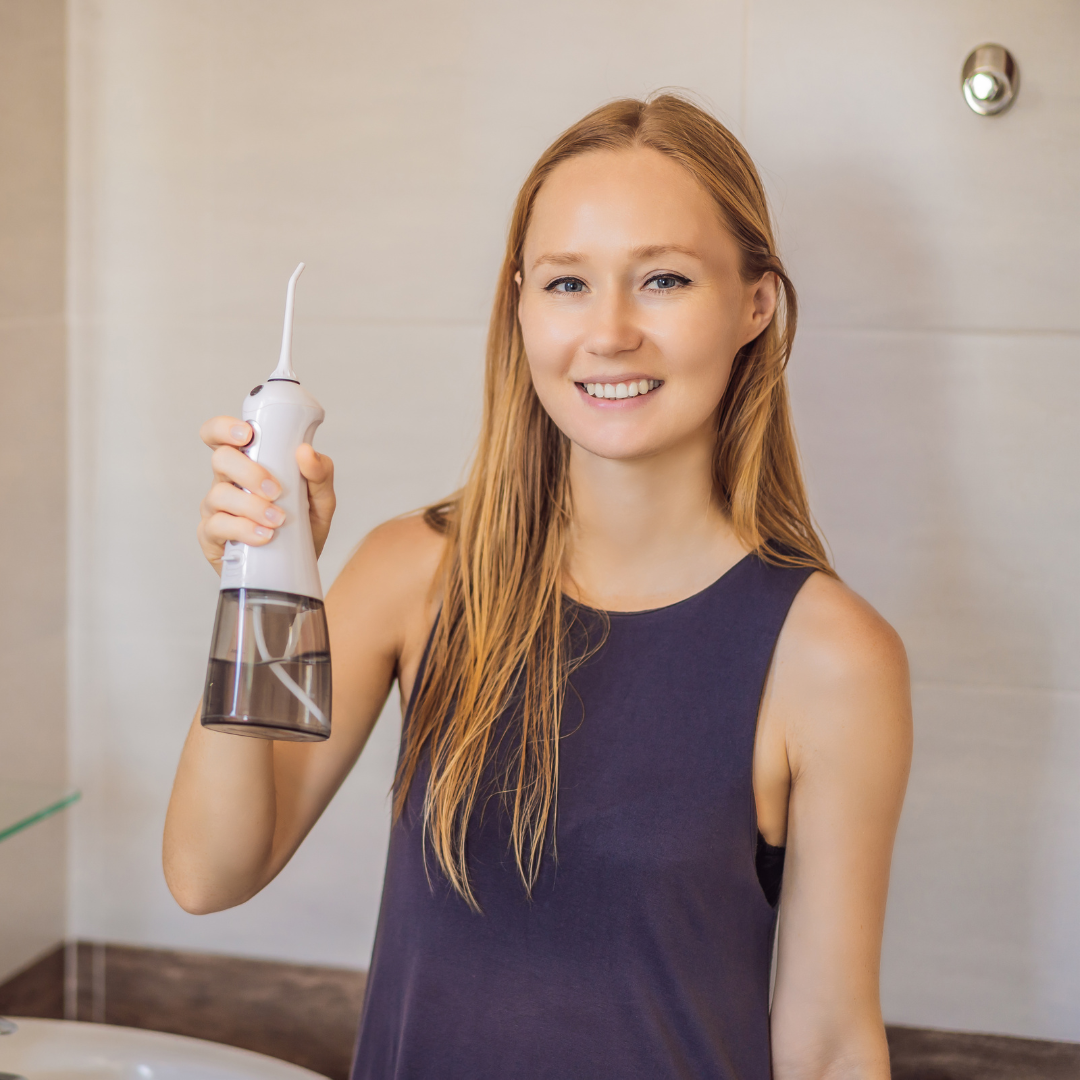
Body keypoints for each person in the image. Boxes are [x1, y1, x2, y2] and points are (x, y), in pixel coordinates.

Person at [165, 94, 912, 1080]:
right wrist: (260, 584)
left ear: (754, 302)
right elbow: (211, 873)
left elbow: (828, 1045)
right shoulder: (413, 573)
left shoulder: (832, 656)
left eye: (664, 279)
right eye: (567, 283)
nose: (609, 333)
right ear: (519, 303)